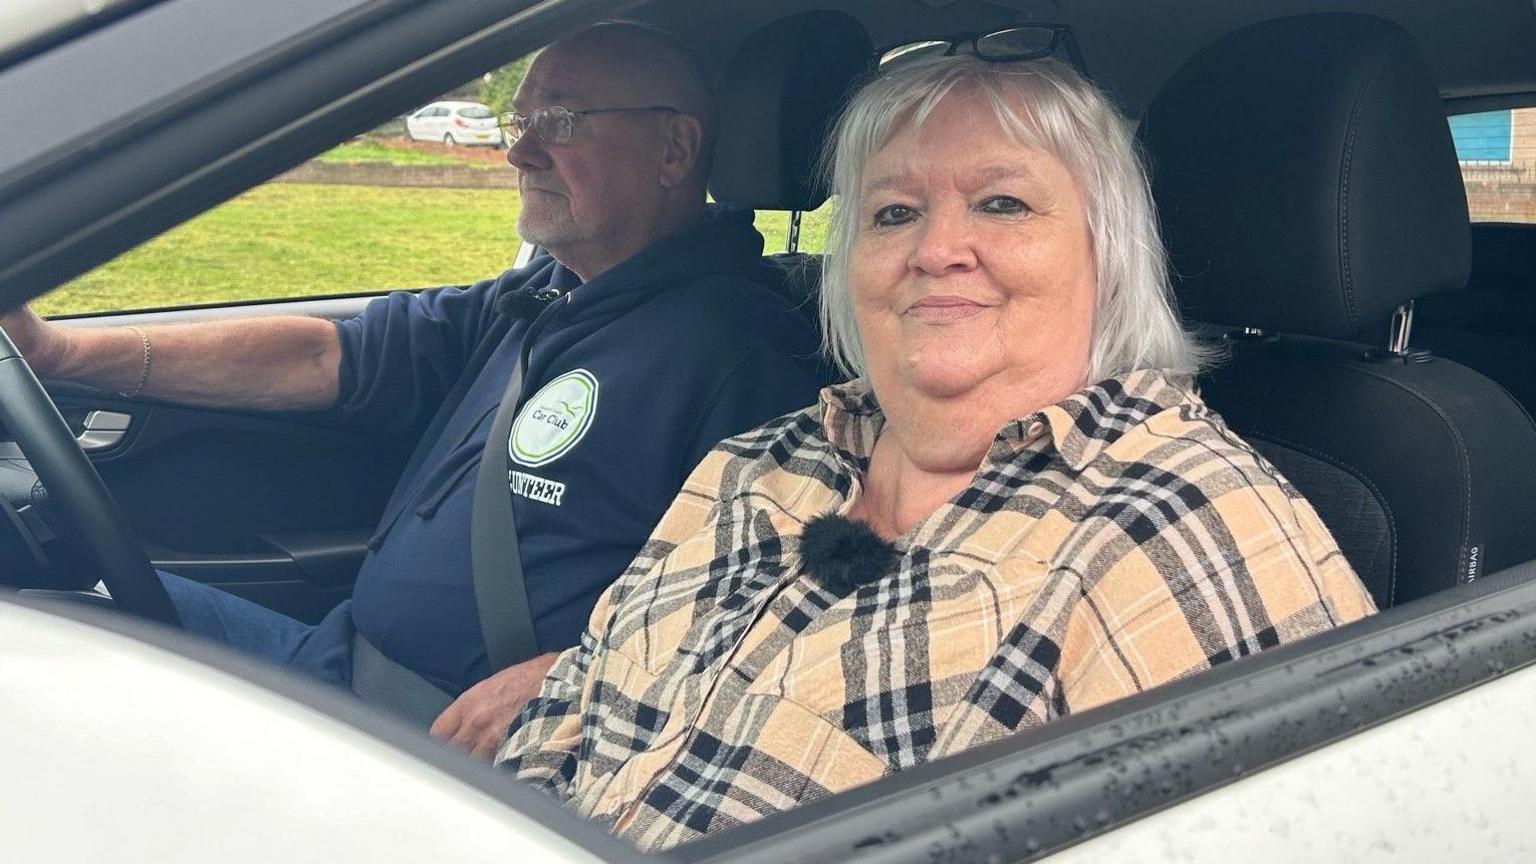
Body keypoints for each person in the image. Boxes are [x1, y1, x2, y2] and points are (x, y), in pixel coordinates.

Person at [493, 52, 1376, 850]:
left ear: (1107, 253)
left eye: (1003, 203)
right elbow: (569, 709)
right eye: (893, 212)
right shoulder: (759, 463)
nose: (937, 249)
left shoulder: (1180, 524)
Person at [0, 23, 825, 756]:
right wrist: (57, 352)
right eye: (521, 120)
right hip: (334, 666)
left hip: (439, 750)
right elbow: (326, 358)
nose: (519, 152)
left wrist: (581, 672)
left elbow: (775, 609)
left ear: (675, 151)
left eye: (561, 121)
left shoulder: (745, 357)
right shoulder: (540, 298)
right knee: (51, 615)